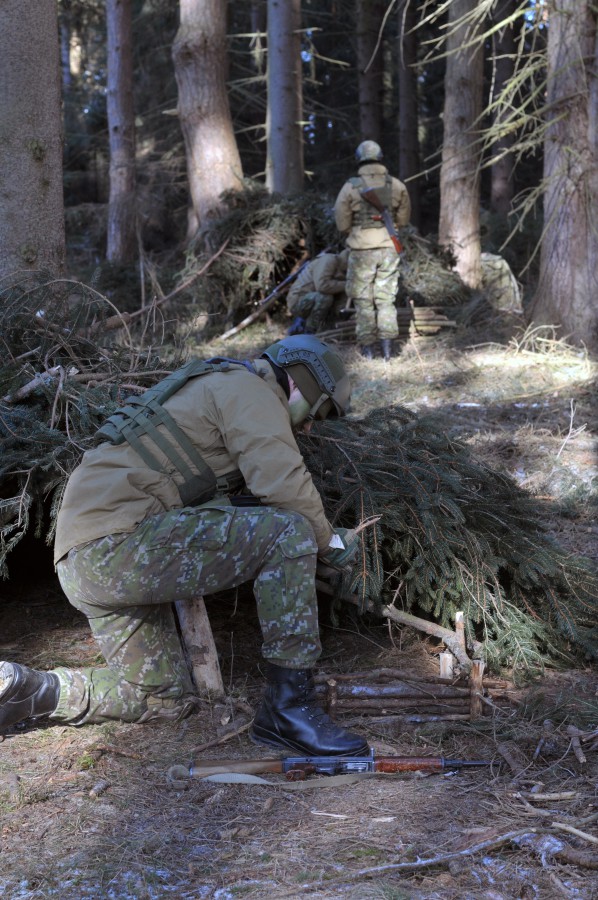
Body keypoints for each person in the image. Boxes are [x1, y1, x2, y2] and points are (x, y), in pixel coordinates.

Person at [0, 336, 369, 757]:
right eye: (317, 413)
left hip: (84, 559)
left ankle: (30, 690)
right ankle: (289, 709)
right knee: (291, 532)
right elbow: (284, 487)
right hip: (119, 544)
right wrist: (329, 542)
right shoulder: (250, 390)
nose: (308, 428)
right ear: (300, 383)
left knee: (159, 699)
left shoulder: (217, 383)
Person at [334, 140, 411, 361]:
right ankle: (388, 350)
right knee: (386, 300)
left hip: (361, 251)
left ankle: (368, 351)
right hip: (388, 247)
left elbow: (342, 224)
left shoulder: (350, 187)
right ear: (380, 158)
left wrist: (357, 231)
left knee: (363, 301)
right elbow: (403, 220)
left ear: (359, 159)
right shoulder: (397, 185)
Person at [286, 249, 349, 335]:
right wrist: (347, 285)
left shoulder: (345, 273)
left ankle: (313, 330)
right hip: (298, 300)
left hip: (314, 301)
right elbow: (322, 286)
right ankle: (309, 331)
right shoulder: (329, 260)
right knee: (325, 298)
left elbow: (340, 299)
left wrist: (342, 312)